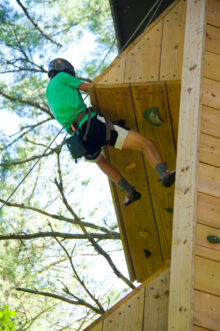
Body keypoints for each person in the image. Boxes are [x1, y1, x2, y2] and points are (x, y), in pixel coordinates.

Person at [46, 58, 175, 206]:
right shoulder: (62, 77)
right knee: (146, 144)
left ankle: (129, 192)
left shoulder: (48, 94)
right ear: (66, 70)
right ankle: (164, 173)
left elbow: (64, 119)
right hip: (93, 124)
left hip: (80, 139)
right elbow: (90, 89)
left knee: (99, 160)